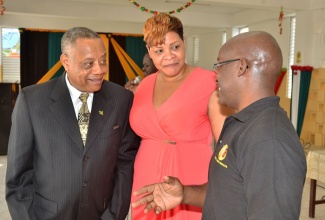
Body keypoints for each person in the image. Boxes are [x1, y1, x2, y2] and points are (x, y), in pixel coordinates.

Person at [132, 31, 307, 219]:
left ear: (241, 67)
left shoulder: (269, 141)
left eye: (220, 65)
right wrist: (185, 193)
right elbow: (227, 190)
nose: (215, 75)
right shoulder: (241, 123)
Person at [6, 27, 140, 220]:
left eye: (103, 61)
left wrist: (113, 215)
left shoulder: (121, 99)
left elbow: (124, 166)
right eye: (89, 63)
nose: (99, 70)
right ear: (66, 62)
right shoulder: (32, 101)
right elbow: (18, 179)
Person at [130, 13, 231, 220]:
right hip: (145, 178)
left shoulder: (210, 83)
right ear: (149, 51)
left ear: (184, 43)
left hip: (189, 180)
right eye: (159, 50)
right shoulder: (144, 86)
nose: (169, 56)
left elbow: (227, 145)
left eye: (175, 47)